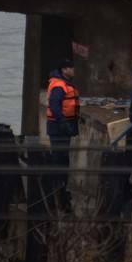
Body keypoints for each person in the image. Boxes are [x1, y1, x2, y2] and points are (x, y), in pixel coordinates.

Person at [45, 58, 80, 211]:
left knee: (62, 158)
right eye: (71, 68)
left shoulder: (64, 83)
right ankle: (58, 193)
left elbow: (69, 104)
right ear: (64, 70)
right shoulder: (59, 86)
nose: (73, 71)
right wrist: (63, 121)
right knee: (59, 159)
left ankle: (61, 191)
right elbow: (55, 105)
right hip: (58, 128)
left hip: (62, 126)